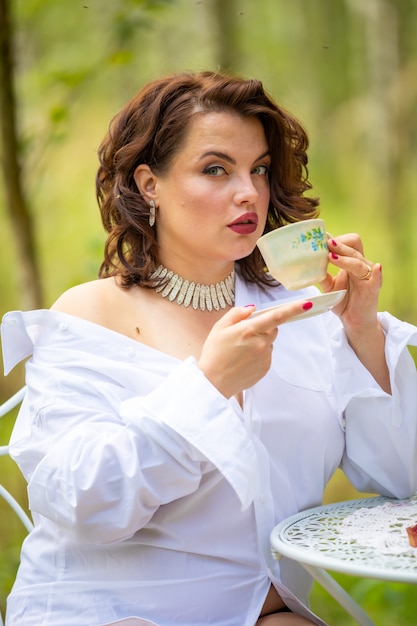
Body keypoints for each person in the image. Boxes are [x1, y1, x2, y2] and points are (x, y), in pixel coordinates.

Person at [1, 70, 417, 626]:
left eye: (259, 169)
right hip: (111, 611)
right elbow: (81, 505)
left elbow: (402, 484)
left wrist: (362, 330)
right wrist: (208, 386)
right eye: (215, 169)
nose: (249, 192)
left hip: (262, 613)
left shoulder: (299, 313)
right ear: (150, 184)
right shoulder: (86, 316)